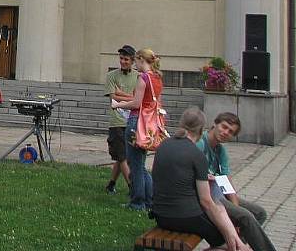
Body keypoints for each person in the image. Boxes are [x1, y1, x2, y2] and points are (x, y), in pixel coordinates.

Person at [152, 108, 251, 251]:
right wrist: (227, 231)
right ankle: (239, 246)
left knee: (221, 211)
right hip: (186, 217)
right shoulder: (197, 155)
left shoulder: (163, 145)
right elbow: (206, 202)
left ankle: (239, 244)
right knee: (227, 243)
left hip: (160, 215)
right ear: (201, 130)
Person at [196, 113, 275, 251]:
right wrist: (237, 214)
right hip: (206, 197)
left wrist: (235, 207)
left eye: (230, 131)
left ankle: (233, 245)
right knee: (246, 217)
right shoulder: (200, 143)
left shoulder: (220, 151)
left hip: (218, 193)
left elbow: (226, 182)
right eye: (224, 127)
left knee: (259, 213)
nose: (225, 132)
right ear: (215, 124)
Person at [112, 47, 163, 211]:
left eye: (137, 61)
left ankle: (137, 202)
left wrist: (118, 104)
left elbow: (136, 103)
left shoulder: (143, 78)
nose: (136, 65)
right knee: (141, 164)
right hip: (150, 124)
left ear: (141, 60)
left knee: (135, 165)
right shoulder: (157, 78)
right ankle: (149, 200)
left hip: (137, 122)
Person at [103, 45, 137, 195]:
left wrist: (121, 93)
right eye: (121, 58)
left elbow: (138, 99)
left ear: (132, 61)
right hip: (117, 121)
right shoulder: (111, 76)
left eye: (126, 59)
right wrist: (129, 97)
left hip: (131, 120)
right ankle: (132, 187)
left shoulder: (138, 76)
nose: (123, 61)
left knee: (122, 156)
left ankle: (111, 184)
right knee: (122, 156)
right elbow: (113, 97)